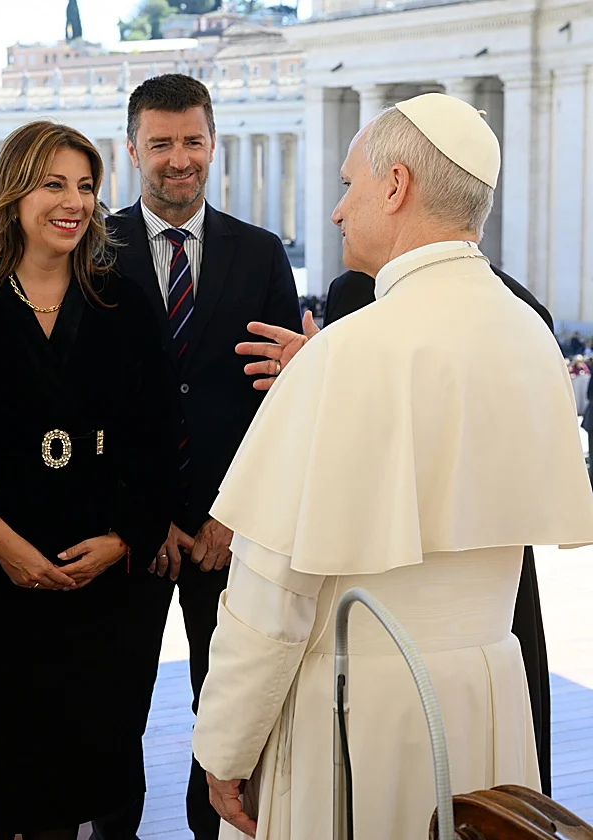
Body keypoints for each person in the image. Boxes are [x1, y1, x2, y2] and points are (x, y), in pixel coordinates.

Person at [190, 93, 593, 840]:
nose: (339, 211)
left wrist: (224, 748)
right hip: (491, 702)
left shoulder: (346, 354)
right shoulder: (533, 339)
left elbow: (268, 604)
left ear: (397, 186)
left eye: (350, 186)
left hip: (361, 710)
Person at [0, 120, 175, 839]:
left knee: (87, 772)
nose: (74, 202)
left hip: (102, 591)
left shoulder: (126, 303)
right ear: (14, 192)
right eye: (54, 183)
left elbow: (155, 443)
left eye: (86, 186)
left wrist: (124, 539)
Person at [93, 73, 302, 840]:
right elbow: (83, 409)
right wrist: (143, 522)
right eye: (161, 144)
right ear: (132, 150)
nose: (178, 159)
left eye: (191, 141)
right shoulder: (90, 250)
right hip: (129, 540)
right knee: (118, 706)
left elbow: (281, 406)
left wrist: (226, 518)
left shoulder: (262, 254)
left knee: (226, 710)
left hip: (230, 536)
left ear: (212, 144)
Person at [311, 263, 557, 796]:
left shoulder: (357, 292)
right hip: (494, 558)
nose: (340, 211)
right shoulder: (516, 305)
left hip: (403, 565)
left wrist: (316, 384)